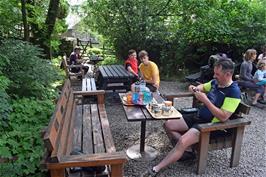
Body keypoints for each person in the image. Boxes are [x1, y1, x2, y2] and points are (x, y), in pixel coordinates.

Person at [142, 58, 241, 177]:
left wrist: (205, 100)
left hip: (211, 126)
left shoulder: (233, 92)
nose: (214, 76)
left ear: (228, 74)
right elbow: (200, 88)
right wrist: (194, 89)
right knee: (168, 124)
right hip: (199, 116)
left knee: (182, 141)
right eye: (214, 73)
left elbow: (223, 117)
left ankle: (155, 169)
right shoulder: (215, 83)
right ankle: (188, 151)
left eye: (217, 74)